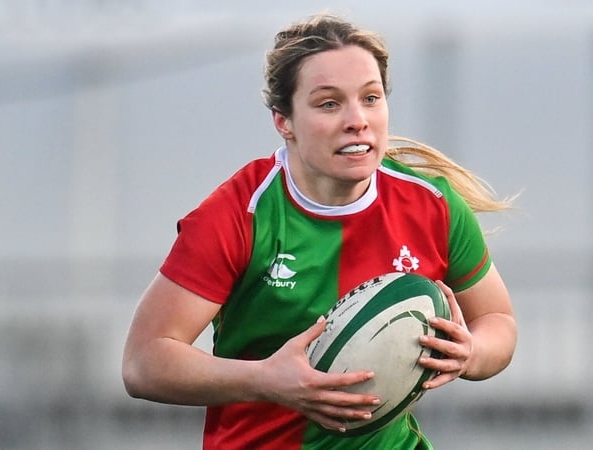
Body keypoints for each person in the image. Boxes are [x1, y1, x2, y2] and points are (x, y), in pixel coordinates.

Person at [122, 12, 517, 449]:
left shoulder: (433, 205)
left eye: (371, 98)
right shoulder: (239, 215)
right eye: (329, 103)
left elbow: (497, 320)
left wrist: (471, 353)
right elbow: (144, 362)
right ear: (283, 121)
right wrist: (265, 380)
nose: (357, 120)